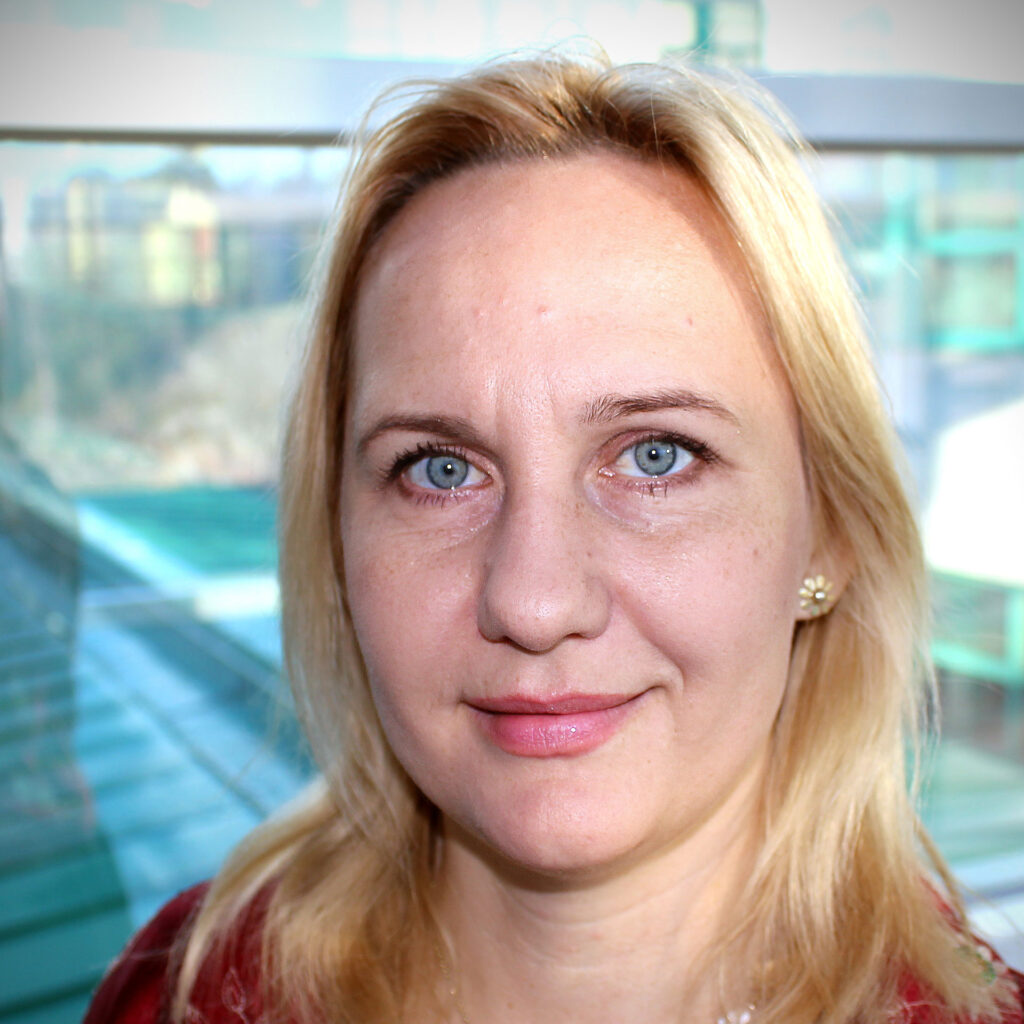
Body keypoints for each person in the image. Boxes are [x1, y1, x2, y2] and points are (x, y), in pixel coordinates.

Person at [84, 51, 1023, 1024]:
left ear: (828, 530)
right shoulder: (177, 994)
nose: (533, 603)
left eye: (657, 456)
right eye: (439, 469)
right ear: (337, 539)